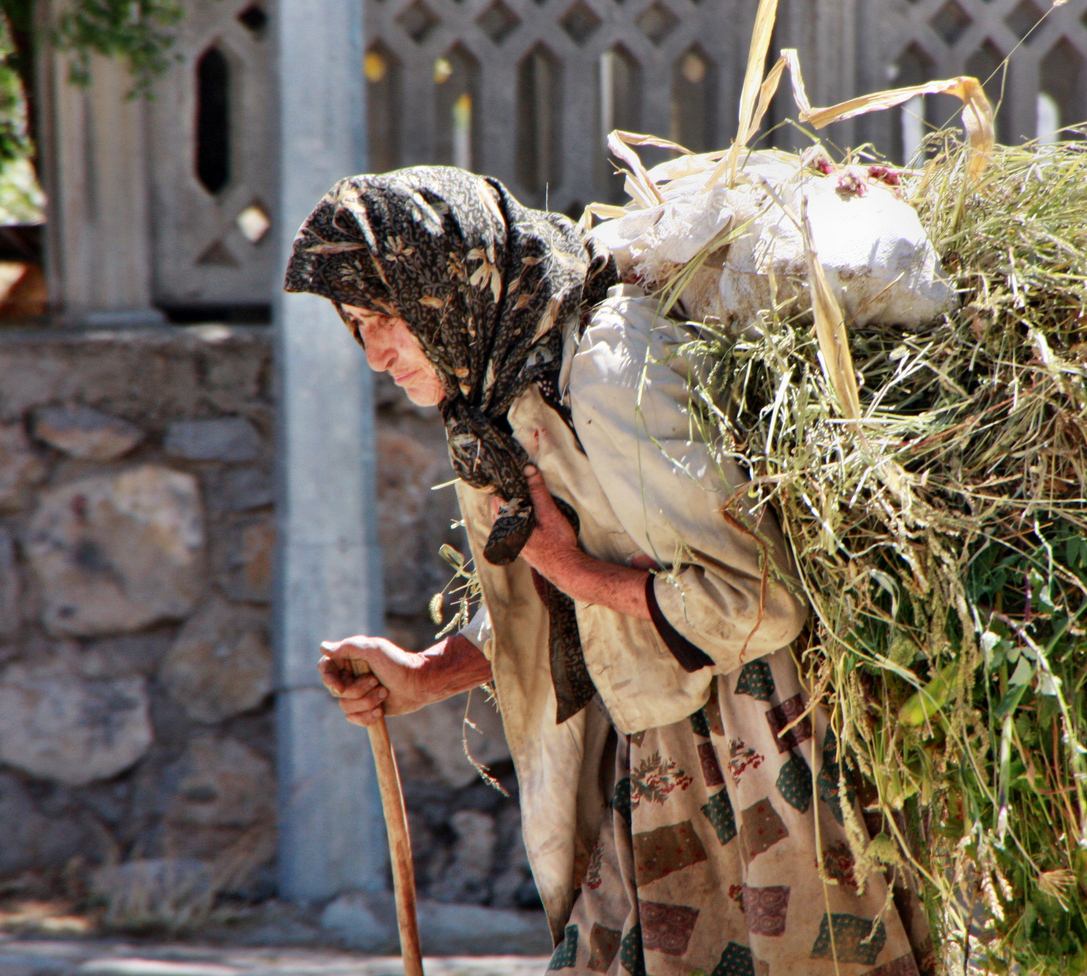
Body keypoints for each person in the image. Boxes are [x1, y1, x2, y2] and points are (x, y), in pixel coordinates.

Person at [286, 166, 928, 975]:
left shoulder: (609, 372)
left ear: (448, 284)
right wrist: (431, 671)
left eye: (387, 317)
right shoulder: (501, 392)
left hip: (759, 754)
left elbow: (757, 605)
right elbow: (571, 579)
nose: (376, 354)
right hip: (661, 742)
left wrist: (574, 570)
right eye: (356, 323)